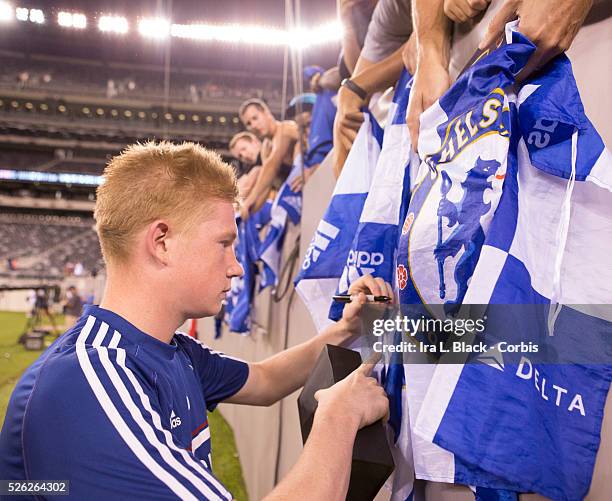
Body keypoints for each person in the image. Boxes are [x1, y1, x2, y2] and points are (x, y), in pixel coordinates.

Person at [0, 141, 390, 500]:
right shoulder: (85, 381)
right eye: (224, 243)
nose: (237, 267)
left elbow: (266, 381)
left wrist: (347, 329)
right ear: (162, 242)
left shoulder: (169, 350)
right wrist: (338, 418)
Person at [237, 98, 299, 219]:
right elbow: (267, 183)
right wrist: (248, 210)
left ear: (266, 112)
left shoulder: (286, 128)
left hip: (314, 184)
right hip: (294, 198)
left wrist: (249, 200)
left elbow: (272, 166)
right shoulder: (265, 147)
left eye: (255, 118)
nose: (254, 125)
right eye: (248, 123)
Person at [228, 131, 264, 199]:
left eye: (244, 149)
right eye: (240, 156)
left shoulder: (271, 148)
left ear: (255, 142)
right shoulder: (251, 167)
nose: (244, 156)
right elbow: (238, 189)